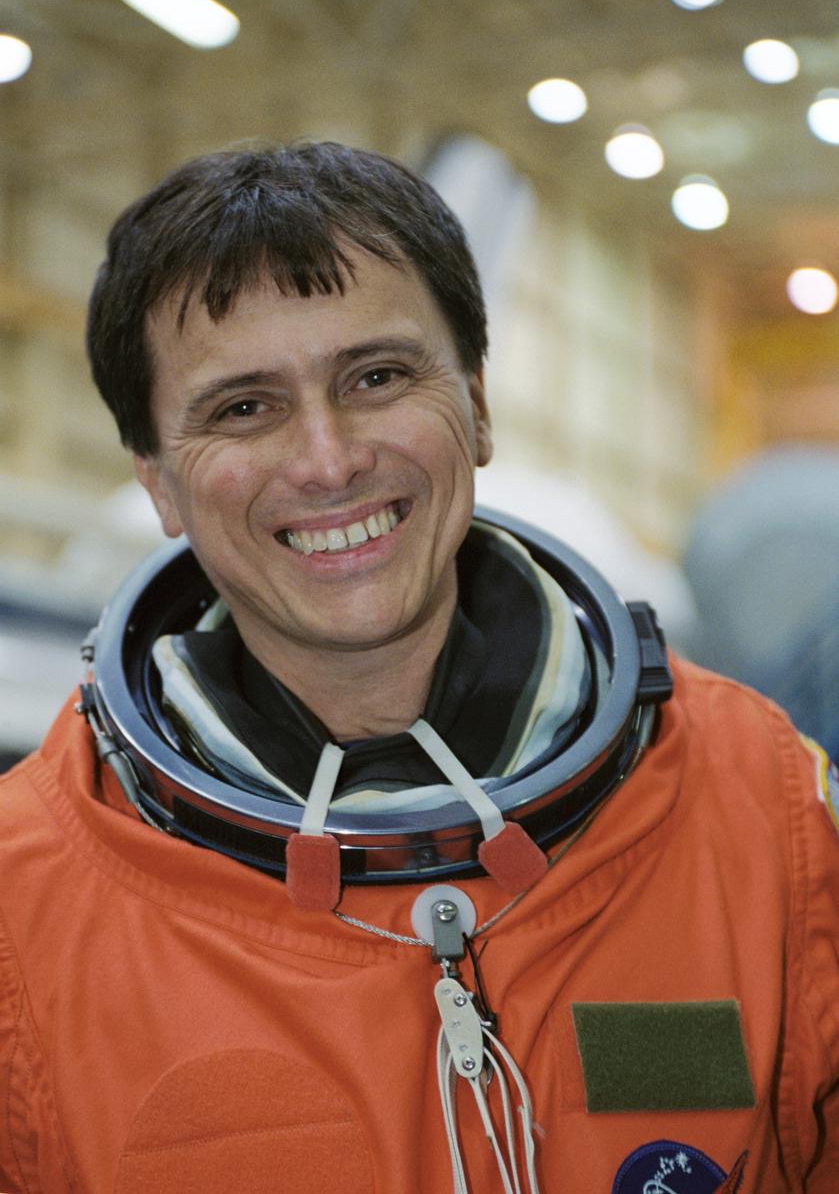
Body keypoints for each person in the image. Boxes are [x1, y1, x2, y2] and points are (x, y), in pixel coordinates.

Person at [0, 142, 836, 1194]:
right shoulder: (20, 909)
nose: (328, 458)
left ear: (477, 405)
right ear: (159, 483)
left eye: (377, 375)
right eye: (243, 407)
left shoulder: (764, 806)